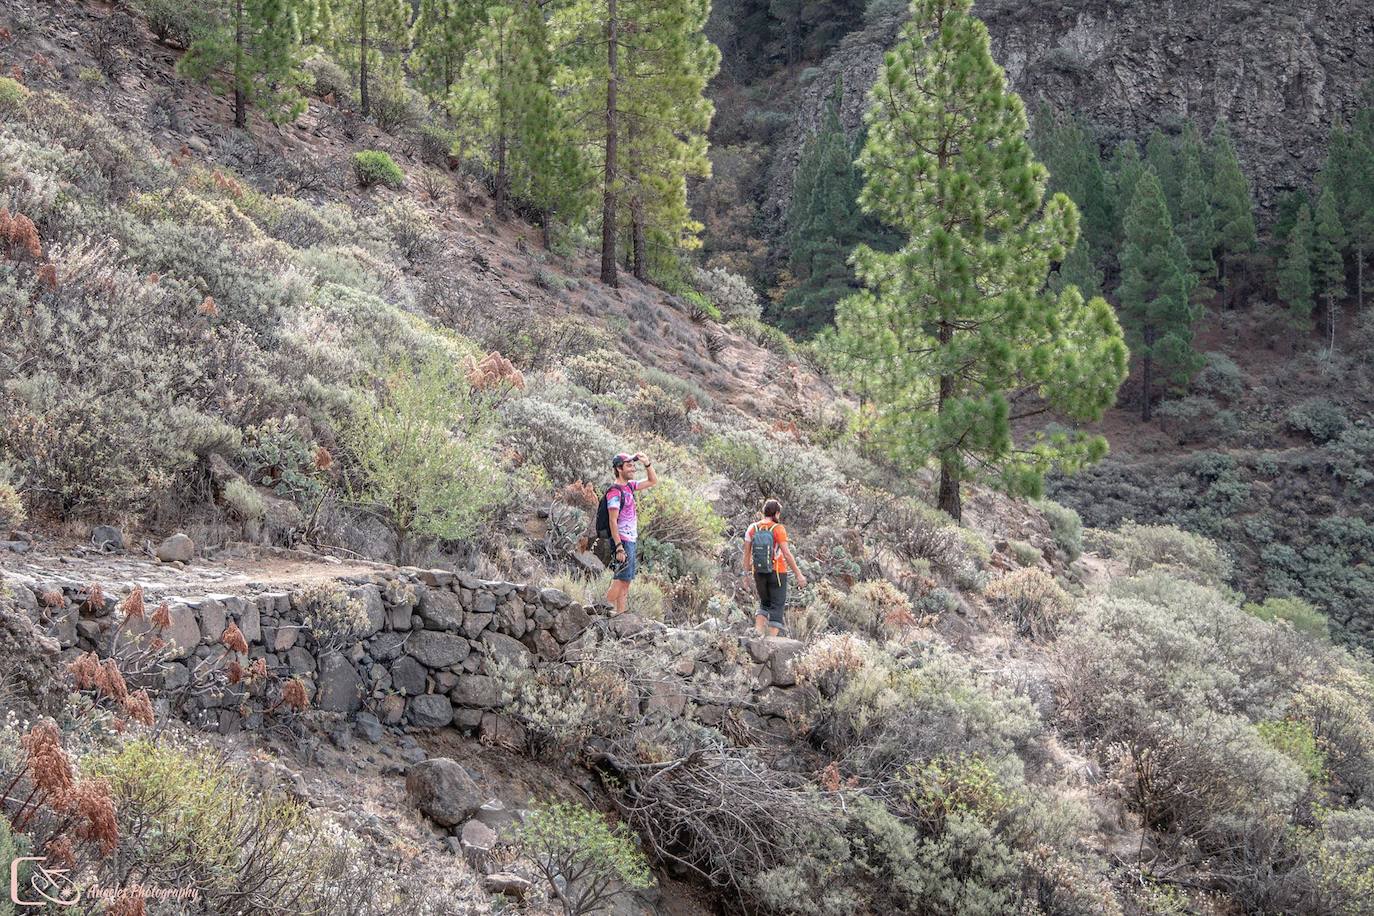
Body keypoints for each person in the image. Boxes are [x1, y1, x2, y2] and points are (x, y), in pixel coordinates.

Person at [742, 499, 806, 637]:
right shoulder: (778, 529)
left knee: (764, 604)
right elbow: (787, 555)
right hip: (777, 573)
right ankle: (771, 643)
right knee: (777, 606)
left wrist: (745, 575)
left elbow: (746, 554)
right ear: (776, 513)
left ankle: (756, 636)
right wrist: (799, 574)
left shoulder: (752, 528)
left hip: (758, 573)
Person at [605, 452, 657, 614]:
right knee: (620, 580)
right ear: (619, 469)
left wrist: (647, 464)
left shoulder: (629, 486)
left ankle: (620, 614)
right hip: (623, 541)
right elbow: (612, 521)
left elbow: (652, 481)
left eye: (633, 465)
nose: (633, 468)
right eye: (629, 465)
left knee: (625, 581)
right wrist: (619, 547)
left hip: (631, 540)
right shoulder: (614, 492)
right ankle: (601, 608)